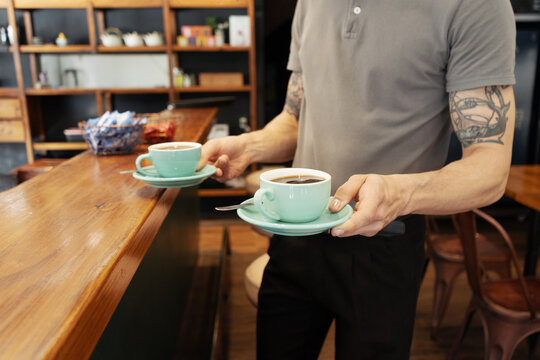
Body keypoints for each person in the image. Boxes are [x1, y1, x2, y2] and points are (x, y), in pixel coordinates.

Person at [198, 0, 516, 358]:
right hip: (296, 235)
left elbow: (490, 166)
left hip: (384, 245)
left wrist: (399, 193)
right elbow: (296, 119)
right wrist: (249, 145)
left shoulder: (476, 6)